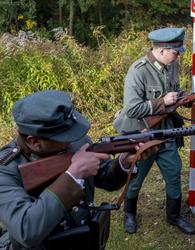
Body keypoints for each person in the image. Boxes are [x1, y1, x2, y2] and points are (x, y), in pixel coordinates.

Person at [0, 90, 157, 250]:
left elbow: (106, 179)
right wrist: (73, 174)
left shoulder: (76, 140)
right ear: (34, 141)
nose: (72, 141)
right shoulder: (5, 170)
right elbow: (26, 230)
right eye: (63, 137)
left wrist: (123, 162)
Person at [113, 27, 195, 235]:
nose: (178, 56)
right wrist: (162, 101)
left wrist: (188, 99)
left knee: (174, 173)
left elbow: (174, 93)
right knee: (136, 178)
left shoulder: (172, 65)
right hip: (142, 135)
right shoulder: (138, 70)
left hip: (166, 133)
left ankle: (174, 216)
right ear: (161, 51)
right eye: (175, 52)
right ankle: (129, 214)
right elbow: (131, 108)